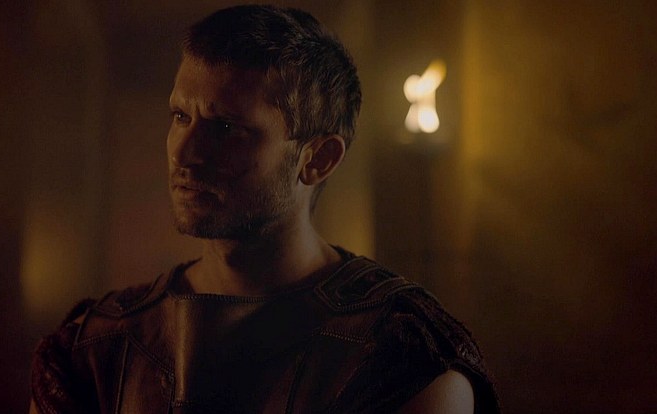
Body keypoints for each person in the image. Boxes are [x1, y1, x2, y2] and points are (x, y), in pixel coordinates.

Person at [30, 5, 499, 413]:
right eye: (180, 116)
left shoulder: (405, 360)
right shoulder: (93, 351)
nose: (184, 153)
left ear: (317, 159)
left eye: (226, 127)